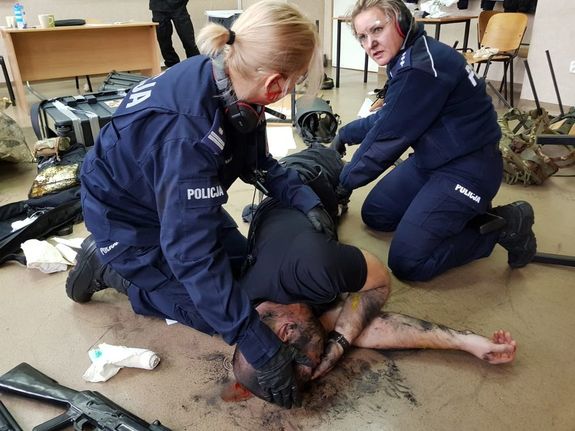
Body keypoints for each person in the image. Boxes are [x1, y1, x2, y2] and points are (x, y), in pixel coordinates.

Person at [65, 1, 333, 410]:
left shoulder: (232, 82)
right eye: (297, 81)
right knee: (218, 314)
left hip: (164, 197)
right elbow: (190, 256)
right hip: (128, 225)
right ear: (277, 83)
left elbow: (259, 163)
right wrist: (258, 346)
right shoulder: (188, 134)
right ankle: (106, 265)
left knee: (247, 275)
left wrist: (306, 199)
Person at [330, 0, 537, 281]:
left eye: (377, 30)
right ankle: (450, 212)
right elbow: (391, 117)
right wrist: (346, 133)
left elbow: (389, 137)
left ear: (401, 22)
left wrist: (343, 183)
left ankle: (506, 225)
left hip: (469, 169)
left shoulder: (419, 68)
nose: (370, 44)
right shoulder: (411, 56)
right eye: (363, 37)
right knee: (377, 214)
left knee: (408, 262)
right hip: (433, 159)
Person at [149, 0, 200, 67]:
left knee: (188, 41)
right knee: (164, 44)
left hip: (179, 6)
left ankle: (197, 66)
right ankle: (173, 67)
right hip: (158, 6)